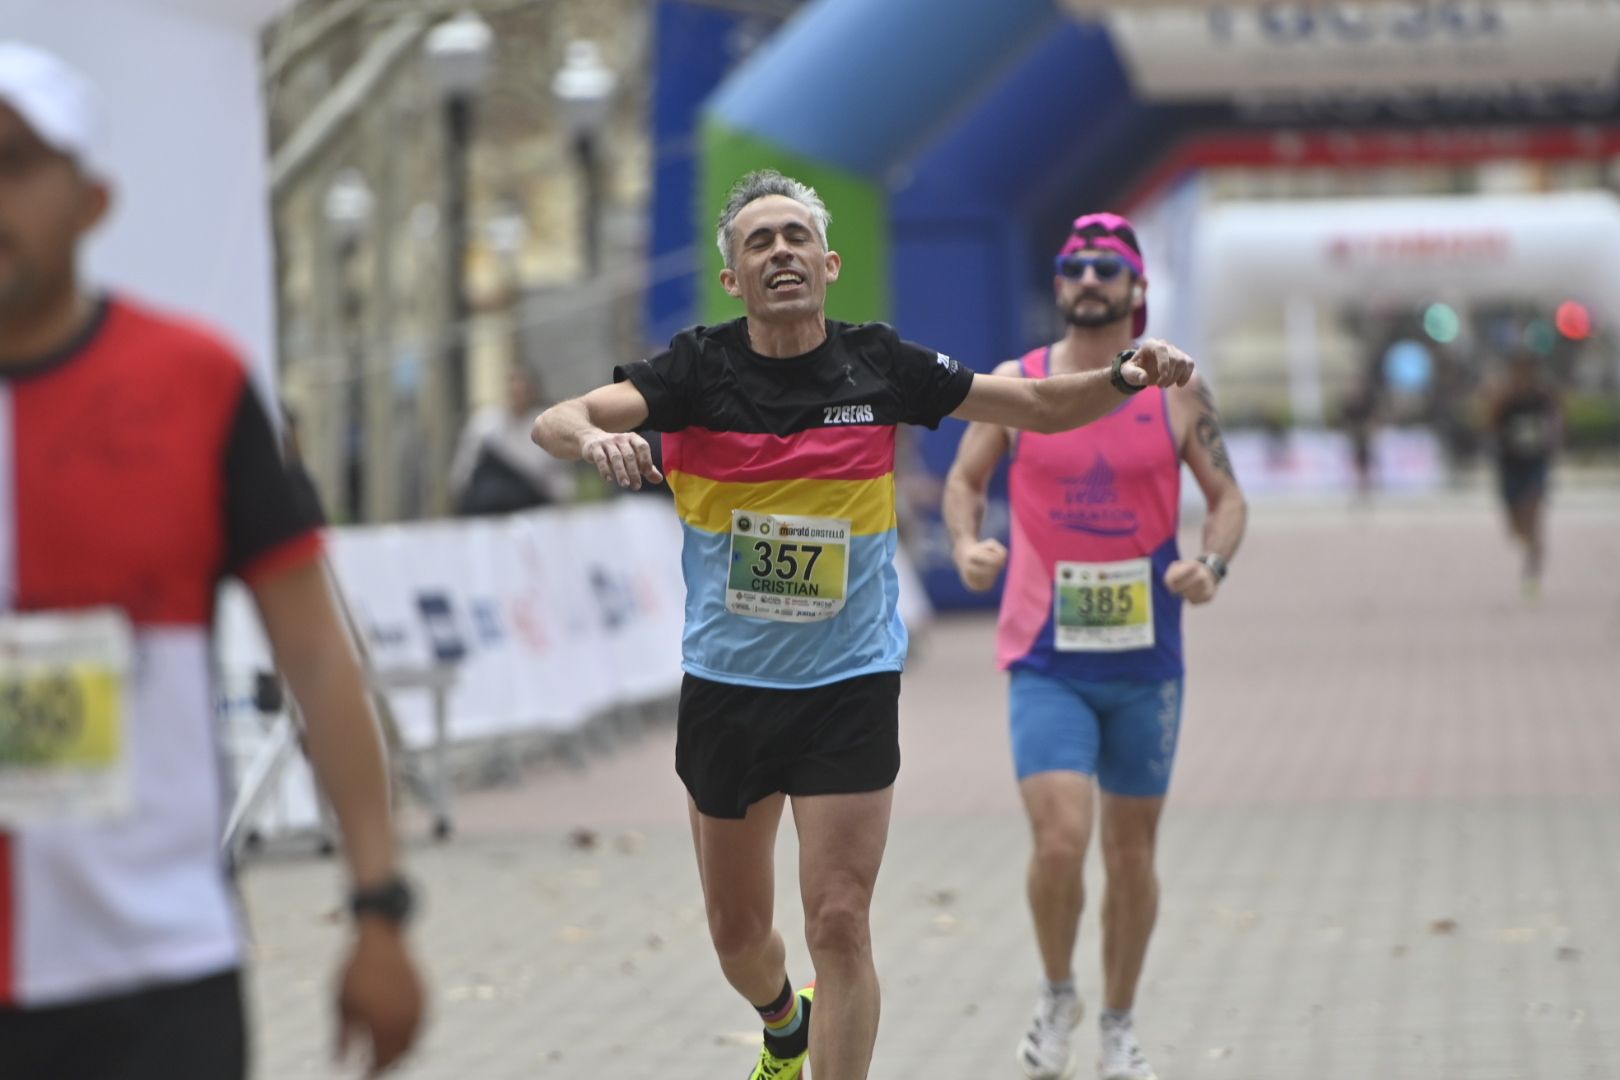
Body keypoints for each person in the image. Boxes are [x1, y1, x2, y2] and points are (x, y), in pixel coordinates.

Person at [532, 170, 1193, 1080]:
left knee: (839, 920)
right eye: (758, 243)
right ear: (735, 278)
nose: (780, 253)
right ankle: (780, 1018)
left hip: (848, 682)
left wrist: (1122, 378)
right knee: (738, 936)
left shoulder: (881, 365)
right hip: (730, 688)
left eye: (795, 237)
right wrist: (591, 437)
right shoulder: (693, 370)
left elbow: (1038, 407)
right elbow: (555, 417)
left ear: (828, 262)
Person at [0, 42, 423, 1078]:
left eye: (12, 162)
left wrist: (378, 905)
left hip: (155, 968)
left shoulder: (194, 386)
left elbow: (318, 657)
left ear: (92, 201)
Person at [943, 212, 1248, 1080]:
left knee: (1131, 853)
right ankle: (1055, 992)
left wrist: (1213, 565)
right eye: (1073, 266)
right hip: (1045, 653)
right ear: (1057, 284)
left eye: (1106, 268)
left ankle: (1118, 1022)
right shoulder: (1020, 382)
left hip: (1147, 659)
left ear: (1137, 289)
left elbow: (1228, 499)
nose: (1087, 280)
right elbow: (965, 481)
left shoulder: (1178, 389)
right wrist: (968, 547)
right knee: (1060, 842)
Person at [451, 363, 576, 515]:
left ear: (533, 391)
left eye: (523, 389)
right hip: (489, 510)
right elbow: (464, 473)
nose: (517, 394)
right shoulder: (484, 425)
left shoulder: (548, 424)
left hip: (534, 506)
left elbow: (559, 482)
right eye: (513, 387)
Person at [1485, 350, 1561, 598]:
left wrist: (1554, 443)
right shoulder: (1505, 397)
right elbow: (1489, 423)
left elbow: (1558, 420)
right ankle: (1528, 541)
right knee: (1515, 527)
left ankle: (1532, 572)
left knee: (1533, 514)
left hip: (1534, 463)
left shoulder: (1543, 395)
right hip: (1510, 465)